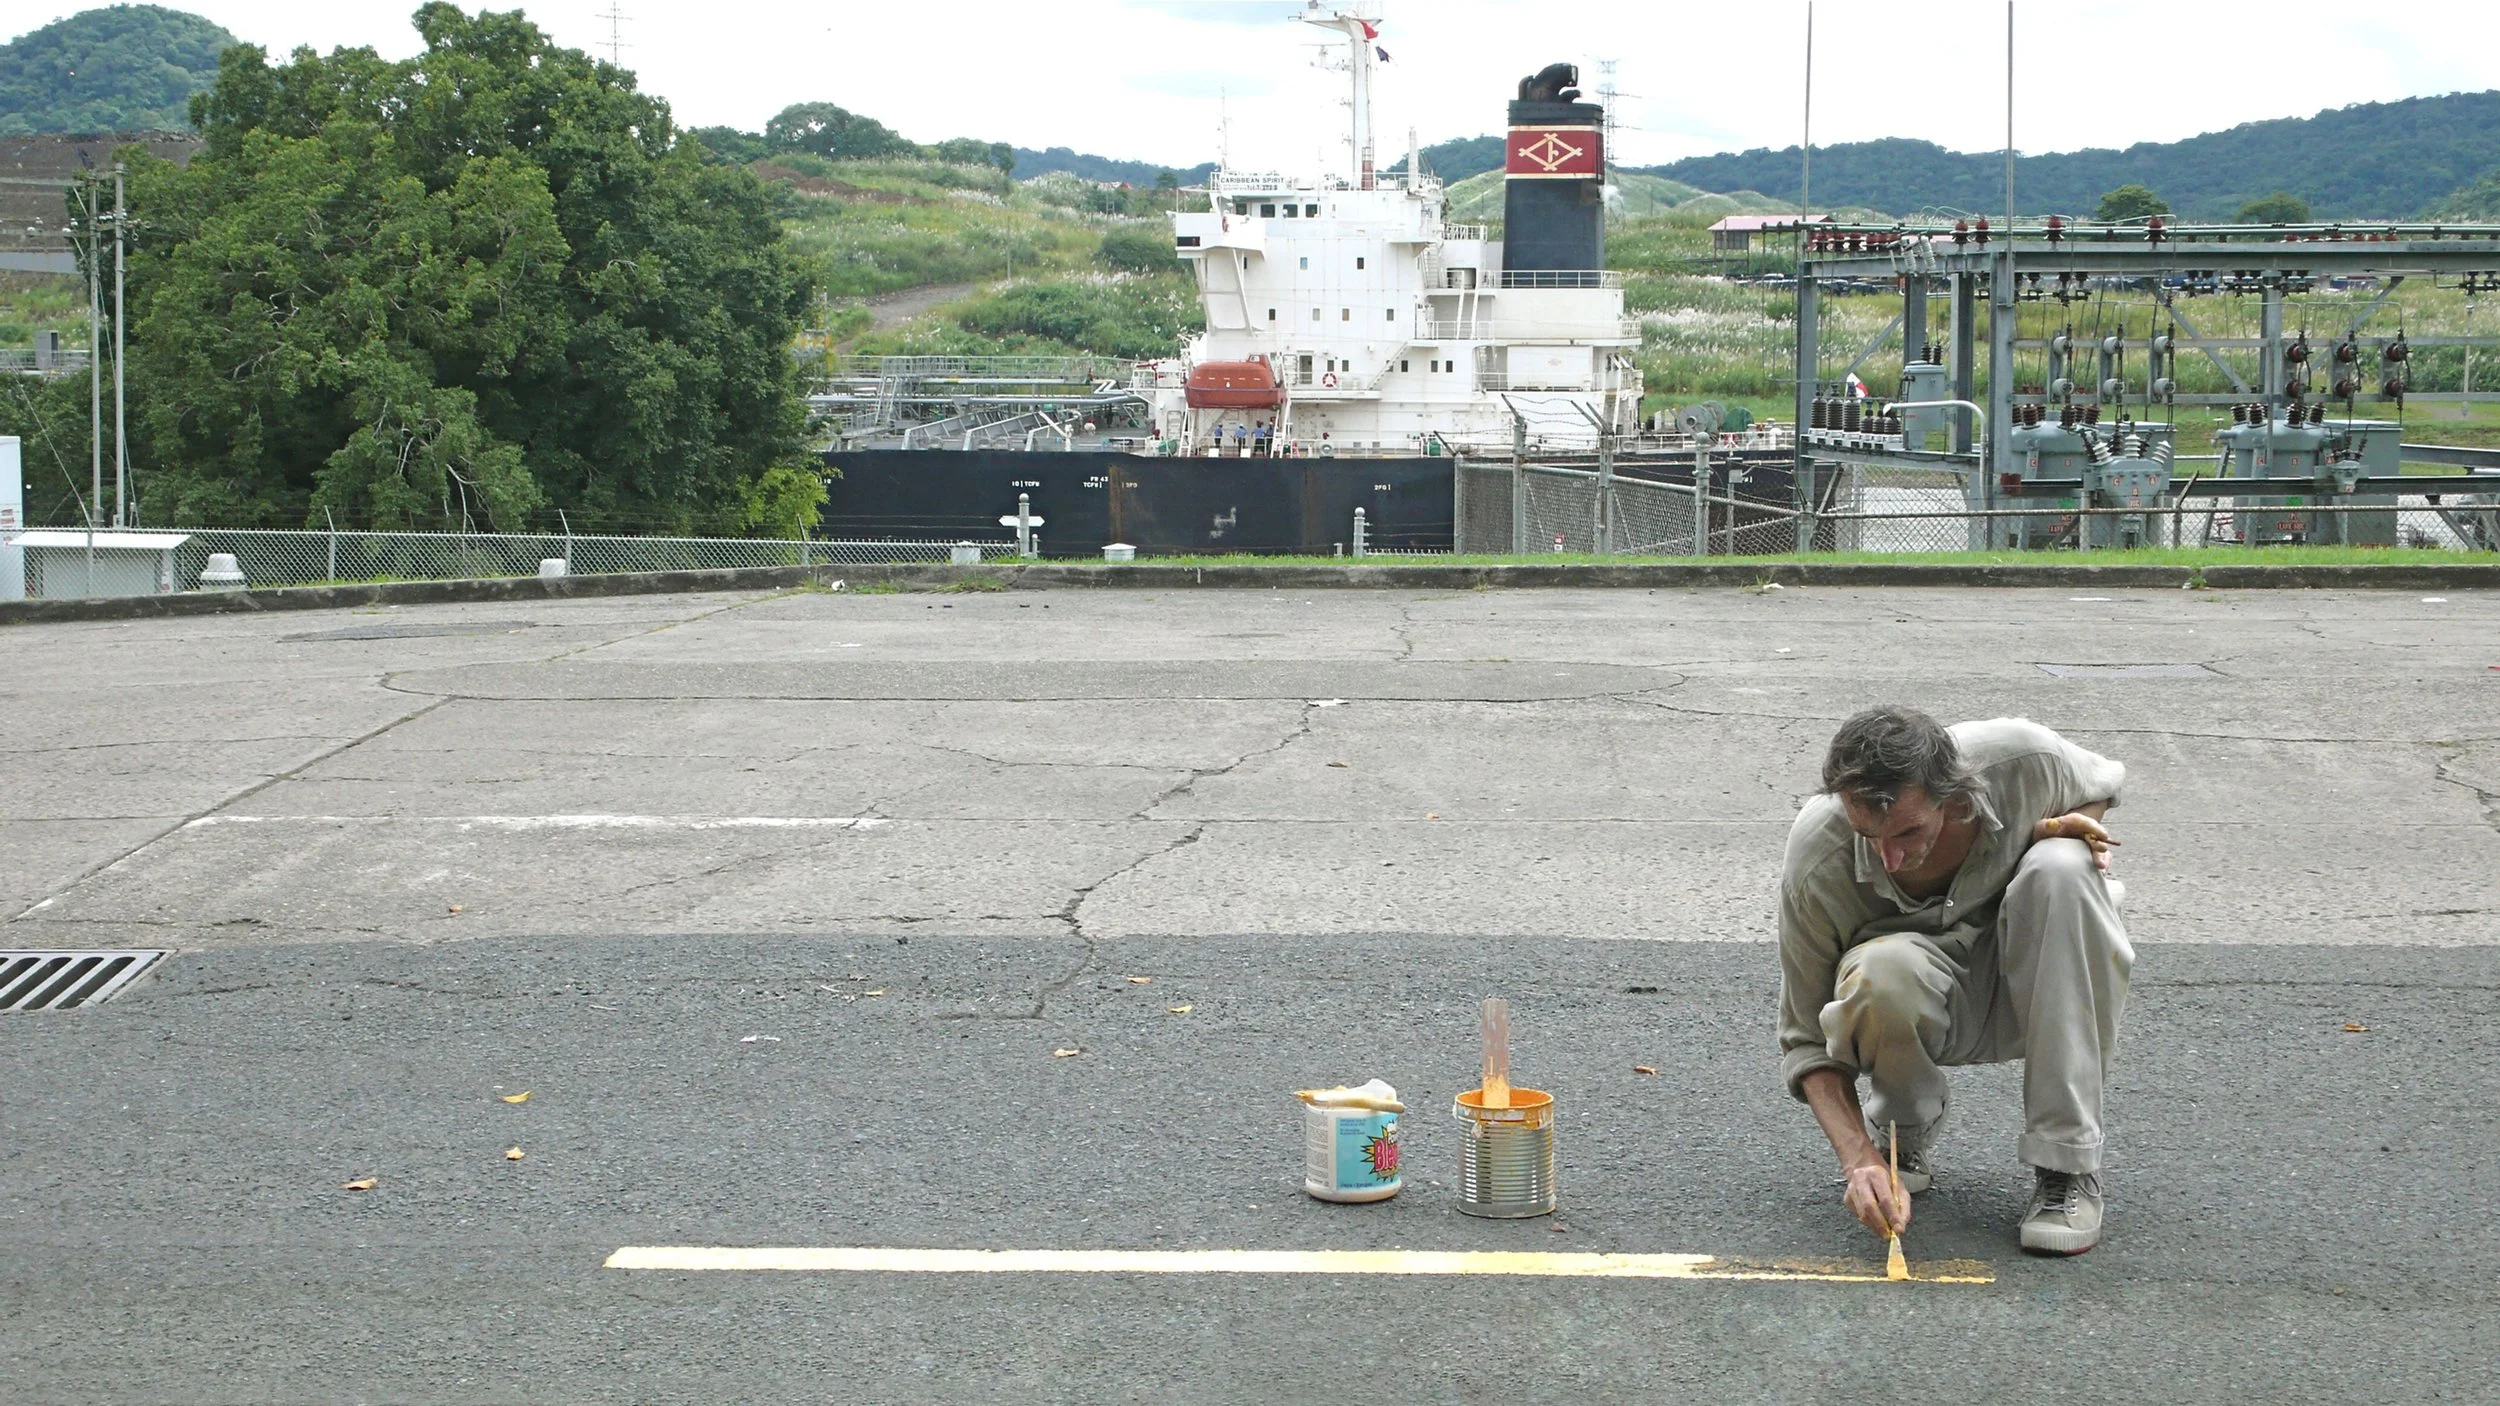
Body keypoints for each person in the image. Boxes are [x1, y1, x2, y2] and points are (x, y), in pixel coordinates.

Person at [1777, 707, 2130, 1255]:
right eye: (1866, 833)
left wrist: (2057, 826)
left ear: (1954, 793)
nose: (1888, 858)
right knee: (1881, 973)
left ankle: (2067, 1166)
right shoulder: (1816, 855)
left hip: (2042, 976)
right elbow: (1805, 1040)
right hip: (1923, 990)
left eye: (1907, 831)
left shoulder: (2022, 758)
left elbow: (2103, 784)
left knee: (2062, 866)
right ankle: (1900, 1134)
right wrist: (1858, 1160)